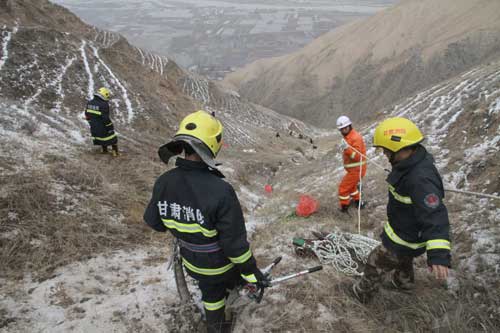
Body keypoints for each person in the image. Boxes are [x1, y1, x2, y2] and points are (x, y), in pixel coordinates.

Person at [143, 110, 268, 333]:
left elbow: (155, 222)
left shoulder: (164, 182)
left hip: (192, 263)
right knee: (226, 280)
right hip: (219, 265)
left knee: (210, 292)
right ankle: (230, 304)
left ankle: (215, 326)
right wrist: (252, 273)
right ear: (213, 145)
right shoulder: (221, 190)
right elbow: (235, 246)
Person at [352, 117, 451, 303]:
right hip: (407, 233)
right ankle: (404, 283)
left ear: (396, 148)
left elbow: (435, 214)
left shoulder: (419, 179)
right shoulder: (410, 165)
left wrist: (438, 255)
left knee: (375, 262)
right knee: (404, 260)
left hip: (405, 238)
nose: (383, 154)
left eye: (385, 150)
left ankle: (361, 294)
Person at [336, 115, 367, 213]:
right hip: (353, 169)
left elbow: (358, 157)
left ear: (350, 126)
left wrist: (347, 149)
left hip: (357, 169)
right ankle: (359, 203)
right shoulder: (348, 137)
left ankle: (344, 207)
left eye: (346, 127)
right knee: (352, 187)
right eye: (342, 129)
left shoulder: (355, 137)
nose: (344, 130)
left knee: (343, 188)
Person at [84, 87, 119, 156]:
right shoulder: (104, 105)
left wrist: (91, 122)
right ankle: (115, 152)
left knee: (101, 138)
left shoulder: (90, 102)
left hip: (94, 127)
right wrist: (110, 127)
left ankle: (104, 150)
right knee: (113, 137)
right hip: (102, 127)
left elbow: (87, 114)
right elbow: (105, 118)